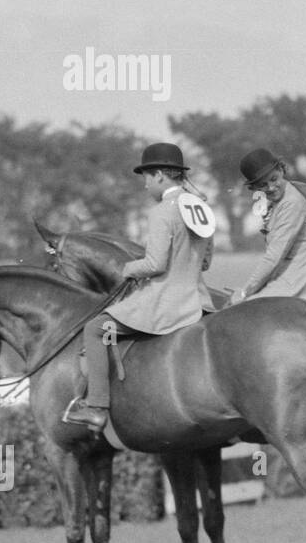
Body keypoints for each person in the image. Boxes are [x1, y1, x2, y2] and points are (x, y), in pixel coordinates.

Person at [65, 143, 212, 433]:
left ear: (159, 176)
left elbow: (155, 264)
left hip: (166, 302)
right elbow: (205, 262)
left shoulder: (161, 212)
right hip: (198, 300)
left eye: (146, 177)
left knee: (94, 328)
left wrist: (128, 269)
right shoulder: (200, 208)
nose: (145, 185)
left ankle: (96, 406)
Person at [230, 149, 306, 306]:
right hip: (287, 275)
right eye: (263, 185)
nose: (271, 187)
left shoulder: (291, 203)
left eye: (274, 179)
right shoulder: (277, 202)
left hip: (300, 280)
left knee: (245, 309)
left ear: (281, 170)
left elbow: (273, 257)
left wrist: (244, 292)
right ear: (256, 188)